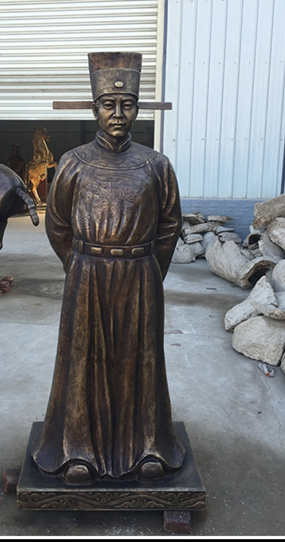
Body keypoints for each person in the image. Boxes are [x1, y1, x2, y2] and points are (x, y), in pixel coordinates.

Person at [31, 52, 185, 485]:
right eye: (108, 105)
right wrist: (80, 266)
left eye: (128, 105)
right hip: (87, 274)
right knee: (85, 361)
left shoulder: (156, 165)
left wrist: (149, 271)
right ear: (94, 108)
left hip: (140, 274)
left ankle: (148, 446)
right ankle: (78, 450)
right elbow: (57, 224)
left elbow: (170, 224)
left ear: (138, 109)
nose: (118, 114)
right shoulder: (74, 162)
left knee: (141, 360)